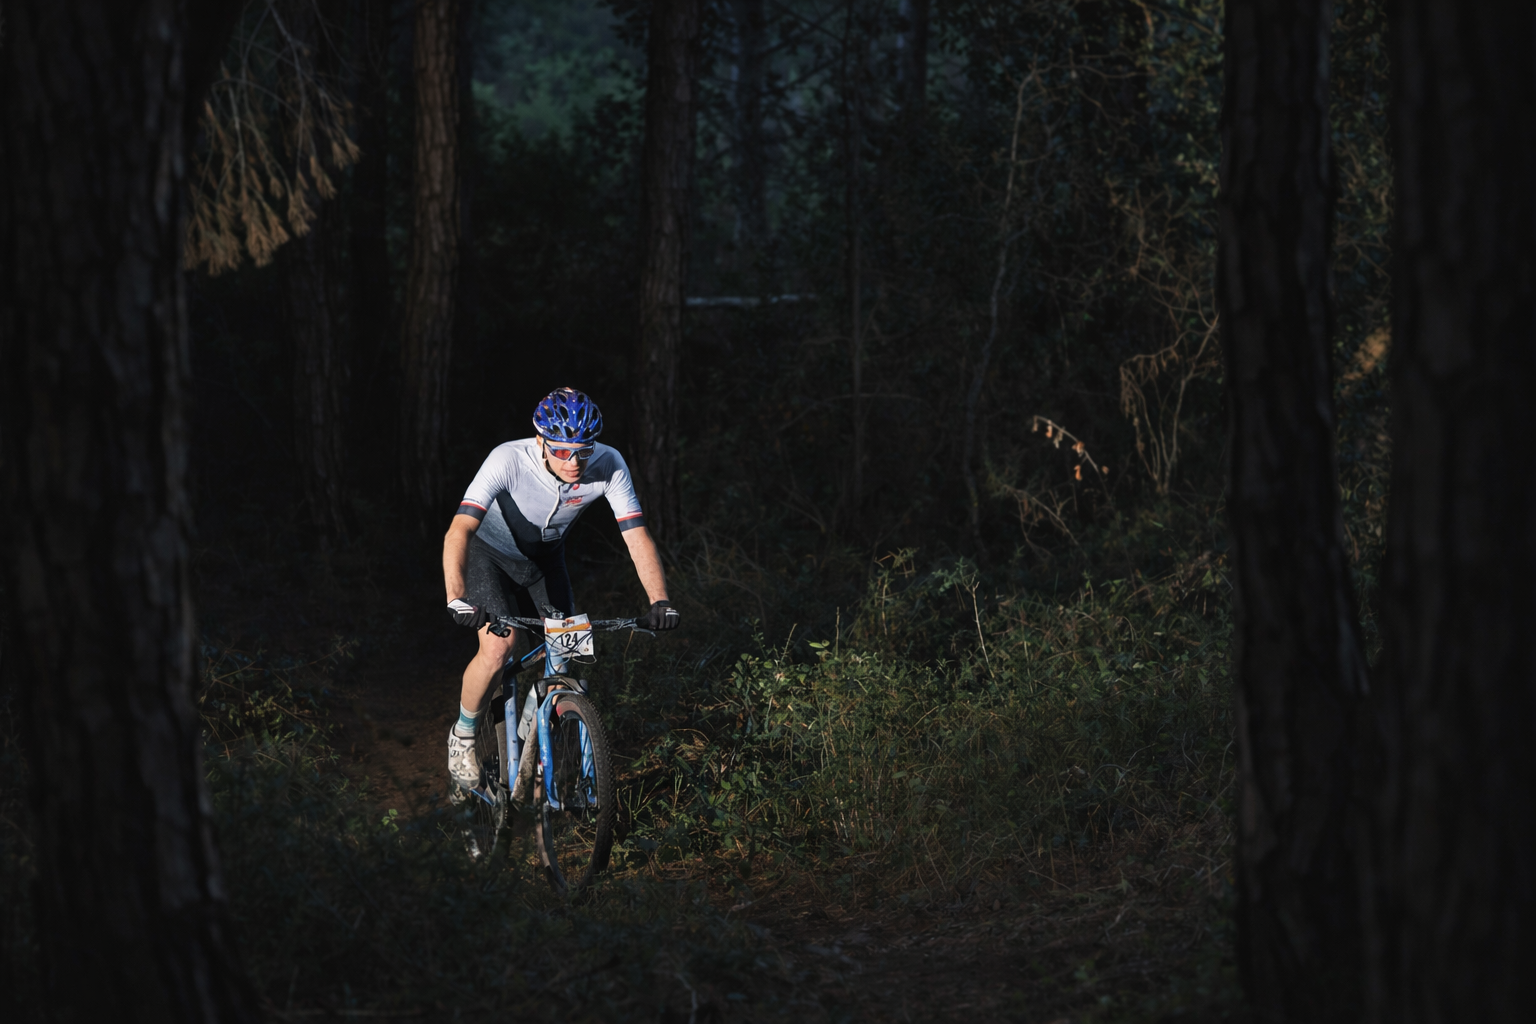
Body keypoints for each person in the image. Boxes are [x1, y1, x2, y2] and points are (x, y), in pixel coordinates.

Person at [441, 387, 679, 799]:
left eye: (582, 451)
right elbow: (459, 530)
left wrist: (660, 600)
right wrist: (456, 596)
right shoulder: (508, 459)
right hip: (488, 557)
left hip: (544, 562)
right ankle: (462, 736)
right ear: (540, 442)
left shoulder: (609, 463)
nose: (574, 462)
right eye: (562, 451)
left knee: (566, 654)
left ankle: (535, 740)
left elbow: (636, 536)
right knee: (500, 648)